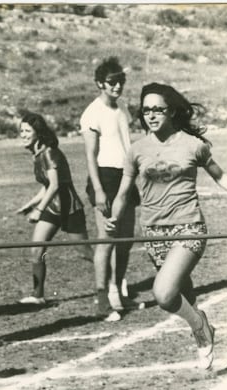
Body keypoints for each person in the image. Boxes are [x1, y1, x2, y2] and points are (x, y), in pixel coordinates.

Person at [105, 82, 227, 369]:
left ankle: (201, 328)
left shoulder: (194, 145)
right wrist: (113, 219)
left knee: (164, 293)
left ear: (171, 112)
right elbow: (122, 194)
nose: (152, 115)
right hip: (154, 233)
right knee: (184, 294)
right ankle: (203, 329)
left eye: (158, 109)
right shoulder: (136, 150)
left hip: (189, 228)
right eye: (146, 111)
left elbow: (219, 175)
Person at [80, 56, 143, 322]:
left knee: (125, 240)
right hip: (104, 178)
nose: (117, 87)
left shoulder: (123, 108)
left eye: (120, 82)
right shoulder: (92, 113)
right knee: (106, 240)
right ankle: (102, 300)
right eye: (111, 82)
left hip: (125, 177)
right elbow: (90, 155)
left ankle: (118, 292)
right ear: (100, 84)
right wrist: (98, 190)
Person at [16, 112, 92, 305]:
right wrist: (30, 204)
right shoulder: (38, 154)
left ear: (38, 133)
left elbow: (55, 185)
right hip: (52, 208)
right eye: (21, 131)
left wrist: (38, 210)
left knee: (84, 252)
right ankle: (38, 295)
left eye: (27, 131)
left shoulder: (49, 153)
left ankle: (115, 280)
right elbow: (47, 186)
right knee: (37, 250)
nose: (23, 135)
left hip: (69, 208)